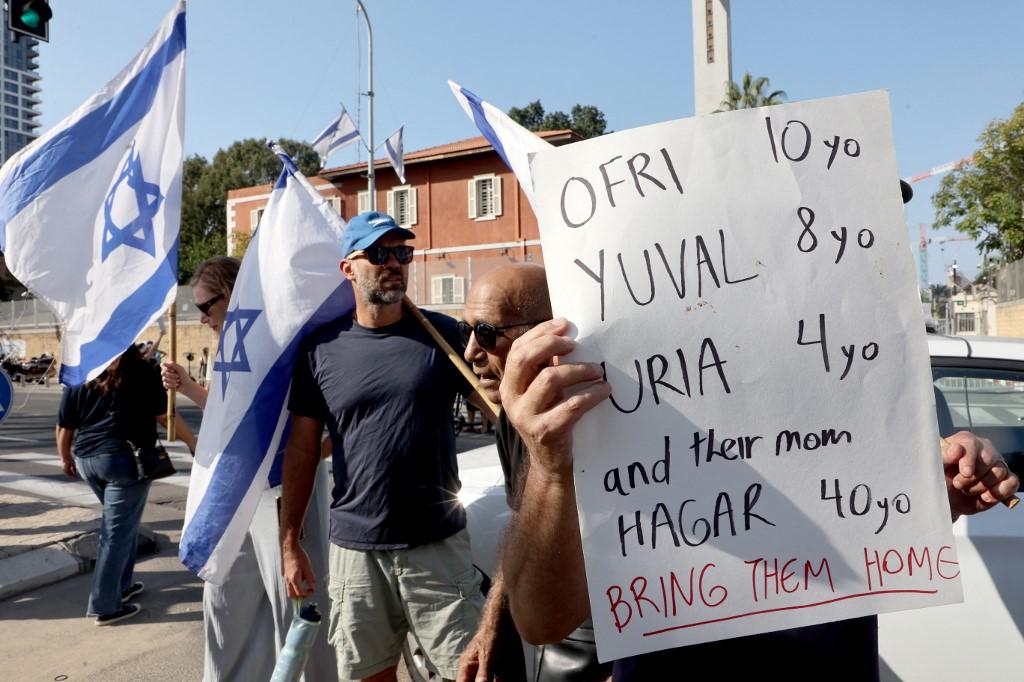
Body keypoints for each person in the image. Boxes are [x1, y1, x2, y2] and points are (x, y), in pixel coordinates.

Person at [495, 315, 1021, 679]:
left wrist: (942, 493)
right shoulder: (608, 401)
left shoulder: (877, 373)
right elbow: (542, 622)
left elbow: (879, 523)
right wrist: (550, 468)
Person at [280, 211, 486, 682]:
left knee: (471, 673)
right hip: (356, 551)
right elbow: (302, 450)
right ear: (349, 268)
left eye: (402, 253)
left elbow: (499, 407)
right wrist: (290, 542)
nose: (394, 263)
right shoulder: (319, 351)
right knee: (368, 676)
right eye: (379, 253)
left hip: (436, 546)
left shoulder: (443, 337)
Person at [161, 256, 335, 681]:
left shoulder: (284, 338)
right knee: (226, 602)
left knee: (295, 608)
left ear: (234, 294)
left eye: (206, 306)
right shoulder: (228, 341)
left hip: (282, 490)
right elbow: (227, 416)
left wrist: (306, 458)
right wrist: (188, 387)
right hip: (233, 490)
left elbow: (325, 425)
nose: (201, 317)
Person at [458, 263, 612, 682]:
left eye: (487, 333)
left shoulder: (612, 413)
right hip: (554, 627)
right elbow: (523, 526)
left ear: (549, 334)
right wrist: (490, 625)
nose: (471, 351)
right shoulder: (515, 418)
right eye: (465, 331)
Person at [57, 344, 196, 625]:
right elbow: (163, 415)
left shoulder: (83, 371)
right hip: (125, 462)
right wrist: (193, 442)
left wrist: (64, 458)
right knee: (116, 533)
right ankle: (105, 606)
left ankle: (122, 585)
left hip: (87, 460)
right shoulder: (143, 371)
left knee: (124, 525)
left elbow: (64, 426)